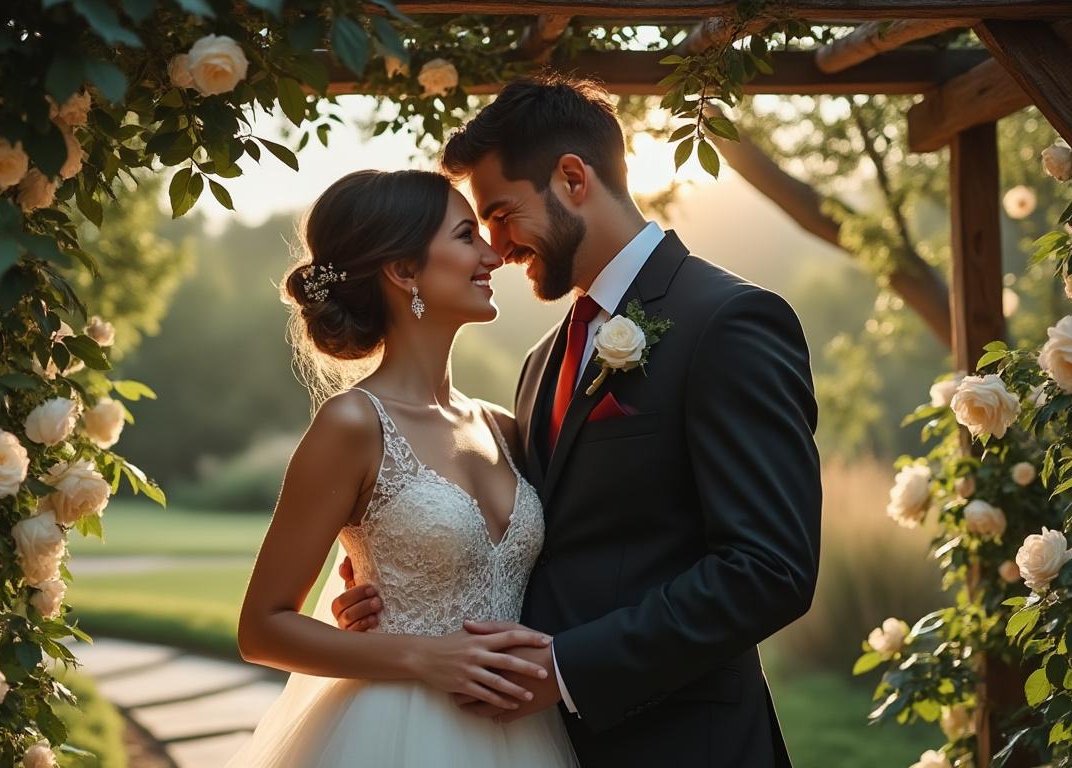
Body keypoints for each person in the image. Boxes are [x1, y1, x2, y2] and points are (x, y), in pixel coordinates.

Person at [329, 74, 824, 767]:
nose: (497, 249)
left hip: (686, 745)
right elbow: (534, 540)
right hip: (540, 746)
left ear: (571, 178)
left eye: (502, 213)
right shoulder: (543, 360)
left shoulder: (729, 321)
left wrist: (566, 669)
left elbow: (769, 569)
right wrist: (399, 586)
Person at [224, 168, 578, 767]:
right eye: (466, 236)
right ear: (405, 270)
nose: (493, 255)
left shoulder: (503, 427)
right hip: (394, 735)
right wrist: (422, 654)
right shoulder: (353, 424)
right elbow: (262, 628)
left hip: (524, 730)